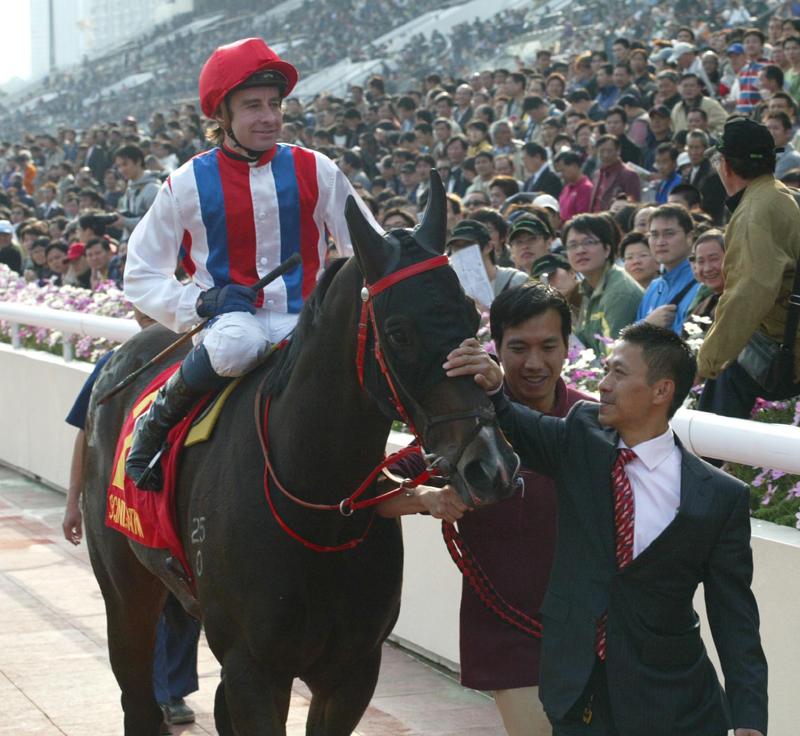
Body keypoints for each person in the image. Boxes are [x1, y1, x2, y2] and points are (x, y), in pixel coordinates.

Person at [444, 323, 768, 736]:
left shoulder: (718, 497)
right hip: (577, 692)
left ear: (661, 390)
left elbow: (734, 616)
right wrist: (494, 388)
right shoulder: (581, 436)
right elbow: (520, 424)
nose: (603, 384)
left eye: (619, 373)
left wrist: (749, 719)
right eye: (606, 370)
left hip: (675, 703)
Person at [123, 38, 377, 491]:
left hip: (308, 320)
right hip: (232, 324)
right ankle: (156, 421)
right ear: (223, 117)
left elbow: (368, 245)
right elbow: (141, 274)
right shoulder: (185, 183)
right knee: (238, 344)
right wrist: (203, 302)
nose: (269, 117)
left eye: (274, 104)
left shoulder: (317, 168)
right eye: (253, 106)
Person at [378, 283, 594, 736]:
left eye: (548, 347)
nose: (534, 363)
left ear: (567, 346)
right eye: (518, 348)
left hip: (598, 635)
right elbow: (376, 491)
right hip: (510, 636)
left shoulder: (594, 422)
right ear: (495, 346)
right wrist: (427, 498)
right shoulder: (466, 425)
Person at [62, 310, 201, 728]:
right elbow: (87, 434)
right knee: (143, 607)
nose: (146, 313)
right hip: (136, 506)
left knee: (182, 614)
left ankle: (174, 691)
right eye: (143, 306)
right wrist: (74, 501)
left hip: (186, 510)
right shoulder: (116, 364)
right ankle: (156, 695)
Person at [698, 117, 800, 419]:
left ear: (725, 166)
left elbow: (747, 296)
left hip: (789, 355)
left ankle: (706, 449)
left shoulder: (753, 213)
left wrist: (705, 363)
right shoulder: (785, 196)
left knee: (726, 369)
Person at [564, 214, 643, 355]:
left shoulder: (619, 293)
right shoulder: (588, 287)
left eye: (588, 242)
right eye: (573, 245)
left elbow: (612, 356)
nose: (580, 250)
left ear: (607, 249)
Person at [637, 204, 700, 335]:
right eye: (654, 235)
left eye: (669, 234)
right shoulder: (653, 287)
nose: (660, 242)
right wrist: (647, 324)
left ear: (689, 237)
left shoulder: (702, 282)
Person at [446, 219, 528, 299]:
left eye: (468, 245)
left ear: (488, 246)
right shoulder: (453, 287)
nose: (462, 251)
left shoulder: (515, 281)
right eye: (456, 247)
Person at [113, 143, 161, 235]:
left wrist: (125, 221)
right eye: (119, 166)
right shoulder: (129, 189)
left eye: (125, 164)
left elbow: (156, 222)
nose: (121, 170)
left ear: (138, 161)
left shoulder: (153, 189)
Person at [589, 135, 641, 212]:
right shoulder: (597, 174)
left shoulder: (629, 175)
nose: (605, 155)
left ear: (618, 151)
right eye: (602, 151)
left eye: (609, 151)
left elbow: (633, 205)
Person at [554, 150, 593, 222]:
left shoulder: (586, 188)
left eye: (563, 170)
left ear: (574, 166)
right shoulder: (566, 188)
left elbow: (581, 219)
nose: (561, 175)